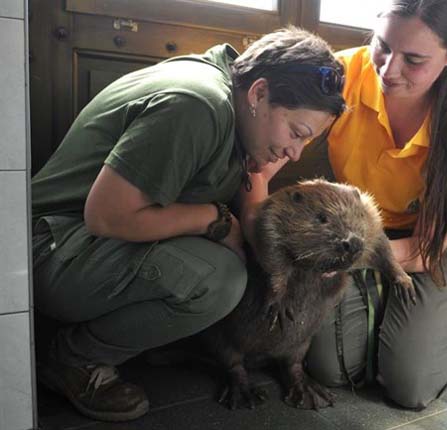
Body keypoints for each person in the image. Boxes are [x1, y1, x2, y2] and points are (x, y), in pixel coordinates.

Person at [31, 27, 345, 422]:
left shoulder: (238, 97)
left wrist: (291, 260)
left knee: (235, 263)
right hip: (46, 252)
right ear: (260, 93)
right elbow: (106, 215)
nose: (295, 154)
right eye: (296, 134)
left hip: (86, 244)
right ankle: (73, 359)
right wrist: (212, 219)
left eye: (306, 143)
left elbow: (250, 209)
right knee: (219, 279)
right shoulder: (196, 105)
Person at [241, 0, 447, 410]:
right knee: (330, 369)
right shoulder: (341, 75)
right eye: (383, 46)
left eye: (413, 60)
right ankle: (393, 301)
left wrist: (345, 259)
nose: (389, 70)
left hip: (435, 244)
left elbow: (424, 248)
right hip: (354, 228)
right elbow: (259, 165)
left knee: (409, 386)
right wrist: (257, 230)